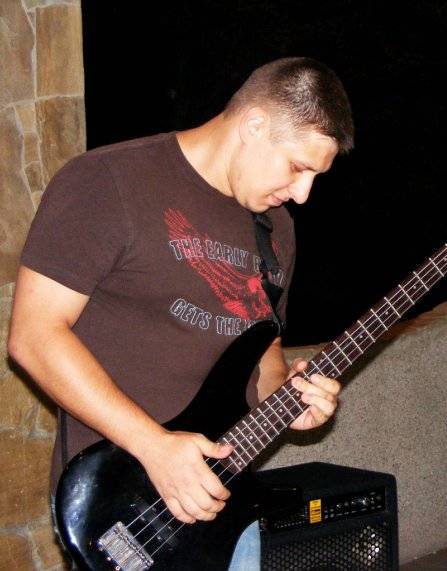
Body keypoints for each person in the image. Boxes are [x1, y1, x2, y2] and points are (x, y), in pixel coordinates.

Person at [8, 57, 354, 569]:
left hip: (227, 515)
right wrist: (154, 446)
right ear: (254, 125)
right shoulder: (109, 181)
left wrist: (288, 399)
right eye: (298, 168)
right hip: (123, 507)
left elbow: (264, 352)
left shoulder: (275, 229)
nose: (303, 194)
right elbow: (34, 336)